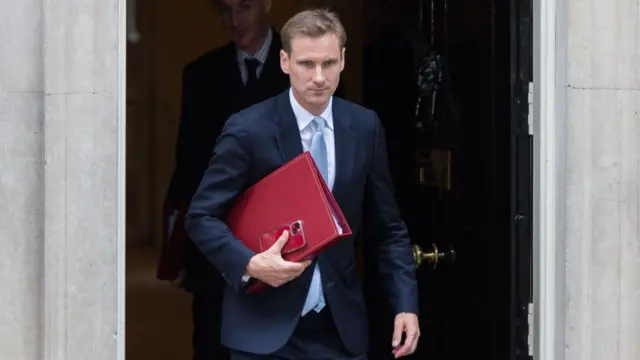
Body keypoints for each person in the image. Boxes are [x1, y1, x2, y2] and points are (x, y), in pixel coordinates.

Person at [184, 8, 420, 360]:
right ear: (284, 61)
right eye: (307, 64)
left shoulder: (365, 127)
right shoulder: (248, 129)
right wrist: (250, 263)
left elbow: (388, 228)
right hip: (263, 332)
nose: (319, 77)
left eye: (328, 63)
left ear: (342, 60)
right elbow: (201, 217)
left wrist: (405, 305)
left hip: (340, 331)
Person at [163, 1, 289, 359]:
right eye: (225, 10)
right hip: (215, 253)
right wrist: (179, 247)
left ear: (266, 4)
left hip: (285, 245)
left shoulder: (304, 66)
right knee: (212, 346)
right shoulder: (200, 75)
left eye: (245, 7)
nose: (234, 21)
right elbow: (187, 166)